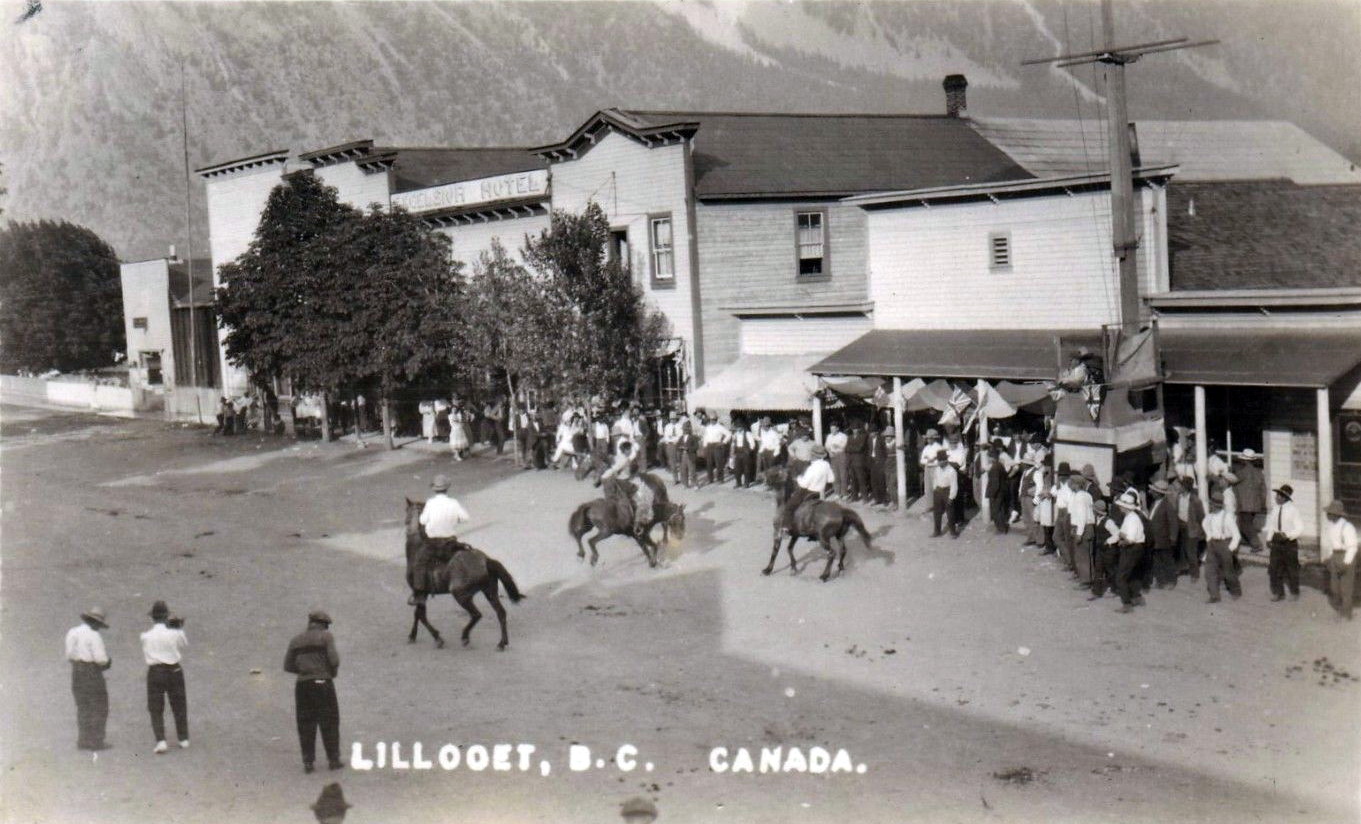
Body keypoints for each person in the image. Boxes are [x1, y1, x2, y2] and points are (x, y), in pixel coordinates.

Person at [284, 610, 343, 773]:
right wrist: (328, 672)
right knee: (329, 720)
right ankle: (333, 760)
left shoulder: (296, 640)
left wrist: (305, 671)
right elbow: (334, 660)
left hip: (303, 685)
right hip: (323, 682)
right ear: (322, 625)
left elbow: (288, 665)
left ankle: (308, 762)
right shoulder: (326, 637)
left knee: (305, 722)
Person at [413, 475, 470, 604]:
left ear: (434, 489)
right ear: (447, 489)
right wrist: (454, 520)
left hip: (433, 544)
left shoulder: (430, 503)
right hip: (450, 544)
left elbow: (422, 520)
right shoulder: (454, 503)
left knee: (419, 564)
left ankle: (420, 594)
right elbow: (466, 518)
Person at [141, 600, 189, 753]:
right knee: (179, 704)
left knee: (155, 707)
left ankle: (161, 740)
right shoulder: (174, 634)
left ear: (152, 618)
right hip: (174, 670)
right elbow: (183, 644)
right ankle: (183, 738)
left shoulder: (145, 636)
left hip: (155, 671)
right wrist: (178, 628)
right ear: (166, 617)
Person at [66, 607, 112, 751]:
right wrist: (107, 662)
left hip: (77, 671)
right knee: (99, 706)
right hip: (92, 672)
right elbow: (101, 659)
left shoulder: (72, 632)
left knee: (83, 706)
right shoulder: (94, 635)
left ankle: (83, 739)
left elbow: (69, 654)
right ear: (95, 622)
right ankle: (96, 740)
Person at [600, 441, 653, 537]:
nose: (630, 451)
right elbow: (614, 469)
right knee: (642, 497)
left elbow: (613, 466)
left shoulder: (619, 457)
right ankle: (637, 523)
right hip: (624, 482)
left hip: (619, 481)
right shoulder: (624, 460)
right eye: (629, 449)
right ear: (626, 450)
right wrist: (605, 476)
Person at [1262, 484, 1303, 602]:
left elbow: (1299, 528)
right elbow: (1271, 526)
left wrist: (1288, 535)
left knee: (1291, 568)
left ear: (1285, 498)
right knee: (1274, 568)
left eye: (1279, 496)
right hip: (1276, 540)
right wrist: (1269, 539)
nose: (1276, 497)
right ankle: (1278, 593)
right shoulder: (1275, 509)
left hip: (1289, 542)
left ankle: (1295, 591)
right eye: (1276, 495)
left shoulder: (1293, 510)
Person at [781, 444, 834, 532]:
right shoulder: (826, 464)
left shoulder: (812, 468)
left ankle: (786, 527)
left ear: (814, 456)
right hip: (819, 492)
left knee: (789, 506)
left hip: (807, 492)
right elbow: (831, 479)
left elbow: (804, 485)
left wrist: (798, 478)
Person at [1202, 490, 1243, 603]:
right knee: (1209, 570)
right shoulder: (1209, 517)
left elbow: (1237, 536)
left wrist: (1229, 549)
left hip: (1225, 543)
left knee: (1228, 571)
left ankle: (1235, 591)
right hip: (1212, 544)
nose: (1212, 507)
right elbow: (1206, 527)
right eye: (1211, 504)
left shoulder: (1227, 517)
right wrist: (1209, 539)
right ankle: (1214, 595)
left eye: (1214, 505)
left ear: (1218, 505)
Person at [1113, 490, 1148, 613]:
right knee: (1132, 574)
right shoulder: (1130, 517)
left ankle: (1126, 604)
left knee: (1121, 577)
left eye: (1121, 506)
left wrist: (1121, 542)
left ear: (1125, 507)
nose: (1119, 507)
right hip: (1136, 548)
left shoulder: (1132, 519)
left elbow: (1130, 539)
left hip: (1132, 549)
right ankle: (1137, 598)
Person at [1324, 500, 1357, 620]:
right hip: (1335, 556)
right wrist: (1328, 558)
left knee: (1346, 587)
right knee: (1334, 587)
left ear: (1337, 514)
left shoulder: (1347, 527)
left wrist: (1346, 563)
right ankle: (1339, 608)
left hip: (1346, 557)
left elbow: (1352, 547)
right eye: (1328, 512)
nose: (1327, 515)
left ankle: (1346, 613)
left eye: (1330, 513)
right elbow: (1330, 544)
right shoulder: (1331, 526)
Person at [1147, 479, 1181, 589]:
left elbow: (1173, 523)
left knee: (1167, 560)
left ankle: (1171, 581)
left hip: (1164, 538)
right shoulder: (1154, 503)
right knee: (1156, 560)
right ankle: (1161, 580)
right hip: (1155, 538)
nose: (1151, 492)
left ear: (1159, 493)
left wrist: (1173, 538)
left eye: (1154, 491)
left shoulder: (1167, 505)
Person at [1233, 449, 1267, 553]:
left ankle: (1256, 544)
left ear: (1245, 461)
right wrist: (1262, 502)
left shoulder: (1242, 472)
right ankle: (1245, 540)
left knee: (1245, 524)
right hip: (1256, 504)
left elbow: (1233, 480)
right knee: (1248, 523)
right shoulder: (1259, 473)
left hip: (1244, 503)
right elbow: (1263, 489)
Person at [1088, 500, 1121, 600]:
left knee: (1110, 570)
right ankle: (1096, 591)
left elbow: (1117, 534)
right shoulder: (1098, 519)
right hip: (1100, 549)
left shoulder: (1108, 522)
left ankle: (1114, 589)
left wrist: (1109, 541)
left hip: (1109, 550)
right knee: (1098, 569)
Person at [1176, 476, 1207, 581]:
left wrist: (1201, 532)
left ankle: (1195, 574)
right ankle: (1183, 568)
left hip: (1191, 529)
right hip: (1181, 526)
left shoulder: (1195, 501)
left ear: (1185, 487)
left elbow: (1201, 517)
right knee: (1181, 549)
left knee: (1191, 552)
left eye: (1181, 486)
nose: (1178, 487)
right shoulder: (1179, 497)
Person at [1068, 473, 1096, 585]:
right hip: (1084, 526)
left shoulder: (1079, 497)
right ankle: (1084, 576)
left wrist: (1079, 533)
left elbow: (1082, 516)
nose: (1069, 484)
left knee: (1083, 555)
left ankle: (1086, 580)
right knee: (1082, 554)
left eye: (1071, 482)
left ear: (1076, 484)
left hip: (1083, 528)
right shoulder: (1086, 495)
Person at [930, 451, 959, 538]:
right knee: (937, 512)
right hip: (938, 491)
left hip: (947, 491)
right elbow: (934, 479)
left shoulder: (951, 471)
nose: (939, 462)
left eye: (941, 461)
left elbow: (954, 485)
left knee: (950, 513)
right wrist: (935, 488)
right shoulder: (937, 469)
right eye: (938, 460)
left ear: (946, 461)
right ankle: (937, 531)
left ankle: (953, 532)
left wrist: (951, 497)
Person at [1053, 463, 1074, 569]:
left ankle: (1070, 562)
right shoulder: (1059, 485)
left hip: (1066, 513)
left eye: (1062, 475)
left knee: (1067, 538)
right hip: (1061, 512)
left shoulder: (1069, 487)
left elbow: (1070, 503)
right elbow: (1053, 492)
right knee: (1056, 537)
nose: (1060, 477)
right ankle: (1069, 559)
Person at [986, 444, 1010, 534]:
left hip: (996, 492)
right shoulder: (1000, 465)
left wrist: (992, 494)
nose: (988, 459)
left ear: (992, 457)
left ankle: (1001, 529)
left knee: (995, 511)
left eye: (989, 457)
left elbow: (995, 483)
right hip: (1002, 491)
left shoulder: (994, 467)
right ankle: (1002, 528)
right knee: (1000, 510)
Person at [702, 415, 731, 486]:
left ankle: (720, 479)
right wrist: (705, 446)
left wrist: (723, 442)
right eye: (711, 420)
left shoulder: (720, 427)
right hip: (709, 445)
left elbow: (729, 434)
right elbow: (705, 437)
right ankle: (710, 479)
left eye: (714, 419)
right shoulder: (708, 427)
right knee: (709, 463)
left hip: (717, 445)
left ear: (716, 419)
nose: (712, 421)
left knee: (719, 463)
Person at [730, 417, 757, 489]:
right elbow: (733, 443)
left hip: (745, 452)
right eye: (737, 427)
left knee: (746, 468)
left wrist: (748, 451)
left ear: (742, 426)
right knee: (737, 468)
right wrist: (733, 453)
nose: (738, 428)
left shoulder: (748, 433)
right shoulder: (735, 434)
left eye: (739, 427)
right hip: (738, 452)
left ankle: (746, 483)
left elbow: (752, 444)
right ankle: (738, 483)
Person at [825, 423, 849, 500]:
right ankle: (837, 493)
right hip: (833, 456)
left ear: (837, 428)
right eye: (831, 429)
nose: (832, 430)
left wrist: (837, 446)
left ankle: (844, 493)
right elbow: (827, 446)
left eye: (834, 429)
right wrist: (830, 452)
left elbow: (845, 446)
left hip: (841, 455)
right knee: (835, 475)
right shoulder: (829, 436)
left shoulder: (843, 436)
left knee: (843, 475)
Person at [677, 418, 700, 489]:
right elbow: (677, 445)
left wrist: (688, 448)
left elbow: (696, 446)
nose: (685, 430)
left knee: (692, 470)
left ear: (689, 429)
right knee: (683, 470)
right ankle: (685, 484)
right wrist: (680, 447)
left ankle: (695, 484)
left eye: (686, 429)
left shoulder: (693, 437)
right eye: (684, 429)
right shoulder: (681, 437)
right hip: (683, 455)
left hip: (690, 455)